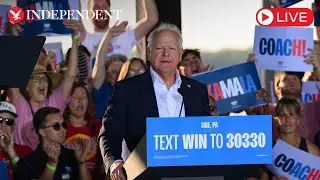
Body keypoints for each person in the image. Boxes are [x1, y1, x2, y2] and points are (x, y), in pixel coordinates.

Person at [99, 23, 210, 180]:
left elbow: (206, 135)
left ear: (180, 54)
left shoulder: (197, 90)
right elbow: (109, 133)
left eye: (171, 48)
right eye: (159, 48)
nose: (165, 53)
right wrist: (115, 162)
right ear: (149, 52)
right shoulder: (128, 89)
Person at [7, 35, 79, 150]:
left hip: (55, 161)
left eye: (44, 79)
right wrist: (14, 36)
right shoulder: (20, 104)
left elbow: (71, 75)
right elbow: (12, 72)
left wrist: (75, 40)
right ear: (27, 87)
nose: (42, 82)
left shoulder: (55, 102)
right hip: (25, 165)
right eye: (36, 79)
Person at [14, 107, 92, 180]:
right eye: (56, 126)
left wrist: (82, 163)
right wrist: (51, 165)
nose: (63, 130)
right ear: (42, 132)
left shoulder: (72, 155)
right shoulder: (27, 163)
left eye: (64, 125)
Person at [262, 98, 320, 180]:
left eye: (291, 115)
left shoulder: (312, 150)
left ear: (298, 119)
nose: (287, 120)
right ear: (276, 120)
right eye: (282, 115)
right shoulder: (269, 150)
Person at [82, 0, 158, 59]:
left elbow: (152, 19)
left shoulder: (124, 34)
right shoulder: (83, 38)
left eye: (104, 6)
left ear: (110, 12)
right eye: (96, 7)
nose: (101, 10)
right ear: (89, 13)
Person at [63, 83, 103, 178]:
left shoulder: (97, 126)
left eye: (83, 97)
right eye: (75, 97)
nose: (80, 100)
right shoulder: (60, 127)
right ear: (67, 101)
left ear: (88, 102)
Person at [0, 102, 32, 180]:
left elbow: (28, 177)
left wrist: (12, 153)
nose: (3, 125)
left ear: (13, 127)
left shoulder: (26, 151)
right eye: (0, 120)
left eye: (9, 121)